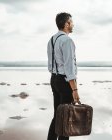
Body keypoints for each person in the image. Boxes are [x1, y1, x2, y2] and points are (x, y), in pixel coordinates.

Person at [47, 12, 80, 140]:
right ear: (66, 24)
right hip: (64, 82)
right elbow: (69, 68)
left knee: (57, 115)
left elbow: (51, 65)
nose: (73, 24)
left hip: (54, 79)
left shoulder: (51, 40)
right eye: (71, 22)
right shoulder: (67, 40)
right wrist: (75, 89)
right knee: (66, 117)